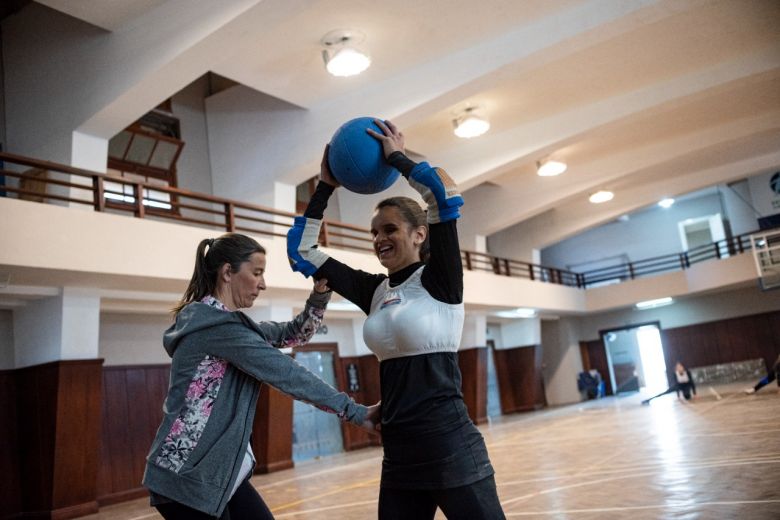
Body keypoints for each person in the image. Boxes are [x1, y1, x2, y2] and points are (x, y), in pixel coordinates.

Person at [288, 120, 505, 519]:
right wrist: (325, 187)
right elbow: (302, 251)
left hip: (450, 446)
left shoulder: (441, 279)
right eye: (373, 232)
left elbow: (443, 192)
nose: (378, 239)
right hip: (399, 453)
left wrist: (398, 159)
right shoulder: (375, 291)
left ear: (420, 234)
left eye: (390, 229)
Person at [143, 232, 378, 519]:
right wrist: (355, 412)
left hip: (218, 471)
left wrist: (320, 294)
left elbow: (294, 334)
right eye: (256, 273)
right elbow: (288, 374)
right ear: (227, 272)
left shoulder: (227, 325)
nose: (263, 284)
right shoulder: (218, 329)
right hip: (187, 476)